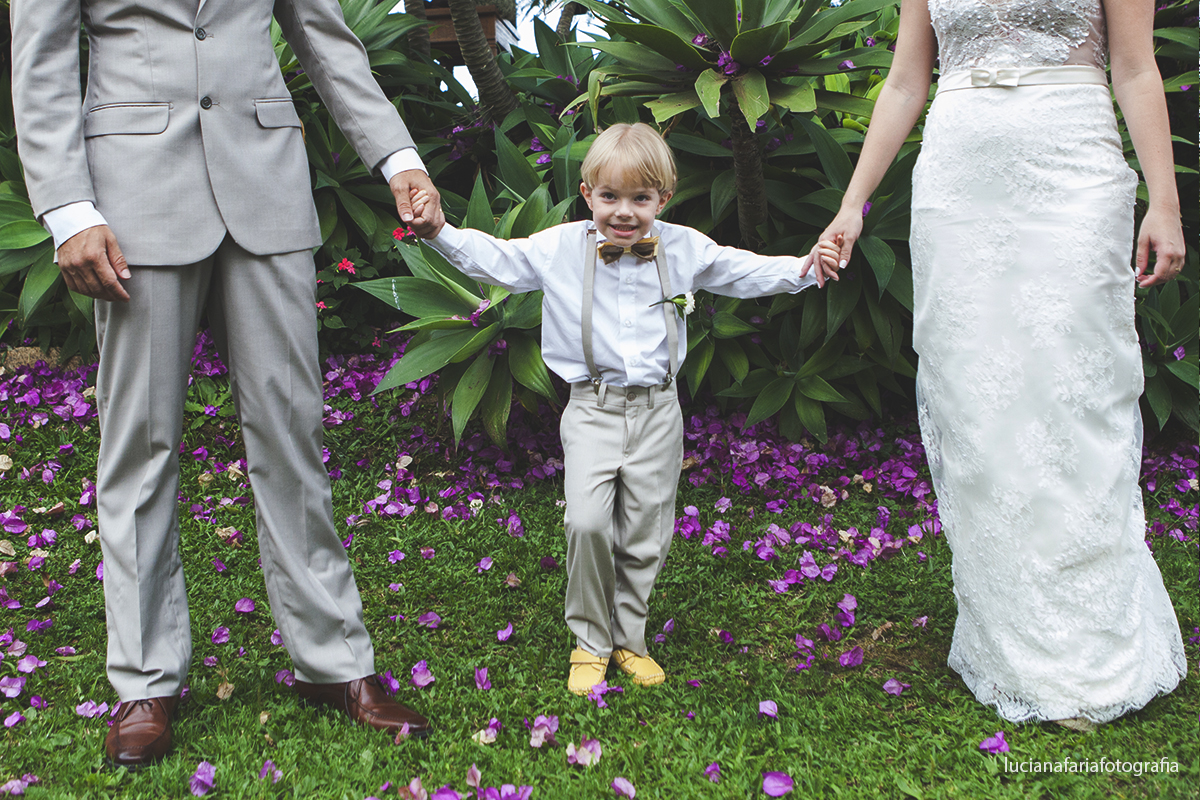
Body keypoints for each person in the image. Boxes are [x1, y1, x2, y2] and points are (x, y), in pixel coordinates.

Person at [10, 0, 446, 766]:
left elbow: (324, 38)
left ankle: (334, 662)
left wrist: (398, 159)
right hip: (131, 205)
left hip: (267, 190)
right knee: (138, 444)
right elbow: (40, 58)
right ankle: (145, 679)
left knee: (292, 432)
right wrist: (68, 209)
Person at [811, 0, 1187, 728]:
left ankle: (1093, 647)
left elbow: (1138, 68)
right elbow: (903, 82)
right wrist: (853, 205)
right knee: (980, 399)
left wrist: (1163, 203)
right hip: (960, 176)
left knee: (1075, 392)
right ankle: (1012, 637)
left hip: (1072, 167)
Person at [407, 123, 840, 694]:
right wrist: (439, 231)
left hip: (659, 410)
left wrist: (806, 268)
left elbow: (745, 271)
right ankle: (589, 641)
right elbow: (497, 261)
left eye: (641, 198)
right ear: (587, 195)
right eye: (610, 197)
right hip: (592, 407)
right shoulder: (560, 247)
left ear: (665, 197)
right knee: (586, 521)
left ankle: (628, 637)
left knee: (647, 530)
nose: (625, 213)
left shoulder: (685, 247)